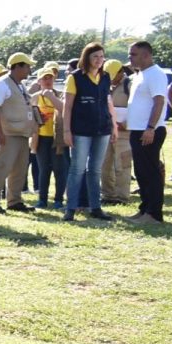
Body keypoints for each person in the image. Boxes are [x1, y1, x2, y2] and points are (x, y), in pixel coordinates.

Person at [62, 42, 116, 221]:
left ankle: (95, 207)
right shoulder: (75, 77)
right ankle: (70, 208)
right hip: (81, 130)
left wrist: (114, 126)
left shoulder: (105, 77)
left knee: (95, 169)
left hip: (103, 128)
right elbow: (68, 107)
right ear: (87, 58)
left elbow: (108, 102)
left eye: (101, 56)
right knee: (77, 169)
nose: (99, 60)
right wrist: (67, 131)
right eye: (95, 56)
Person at [0, 53, 38, 213]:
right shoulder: (2, 84)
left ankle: (14, 201)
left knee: (19, 170)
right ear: (18, 66)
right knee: (1, 167)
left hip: (22, 134)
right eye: (27, 66)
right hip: (7, 134)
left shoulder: (20, 85)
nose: (29, 70)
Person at [126, 41, 172, 225]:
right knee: (141, 172)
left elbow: (159, 102)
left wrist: (151, 128)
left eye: (133, 54)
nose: (130, 58)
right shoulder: (141, 74)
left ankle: (154, 214)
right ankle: (144, 209)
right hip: (137, 129)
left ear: (146, 55)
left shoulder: (155, 74)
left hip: (149, 131)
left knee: (150, 173)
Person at [29, 65, 63, 208]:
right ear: (39, 81)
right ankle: (42, 200)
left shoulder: (59, 95)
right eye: (45, 78)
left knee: (59, 169)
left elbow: (64, 110)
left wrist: (51, 97)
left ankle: (58, 200)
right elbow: (28, 116)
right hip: (41, 138)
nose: (48, 81)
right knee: (44, 169)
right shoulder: (34, 97)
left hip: (57, 139)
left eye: (50, 78)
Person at [101, 58, 133, 205]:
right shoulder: (105, 85)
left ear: (121, 72)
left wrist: (125, 124)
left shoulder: (130, 85)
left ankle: (122, 197)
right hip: (106, 132)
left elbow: (136, 108)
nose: (111, 80)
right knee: (105, 164)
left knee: (122, 165)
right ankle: (108, 195)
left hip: (124, 133)